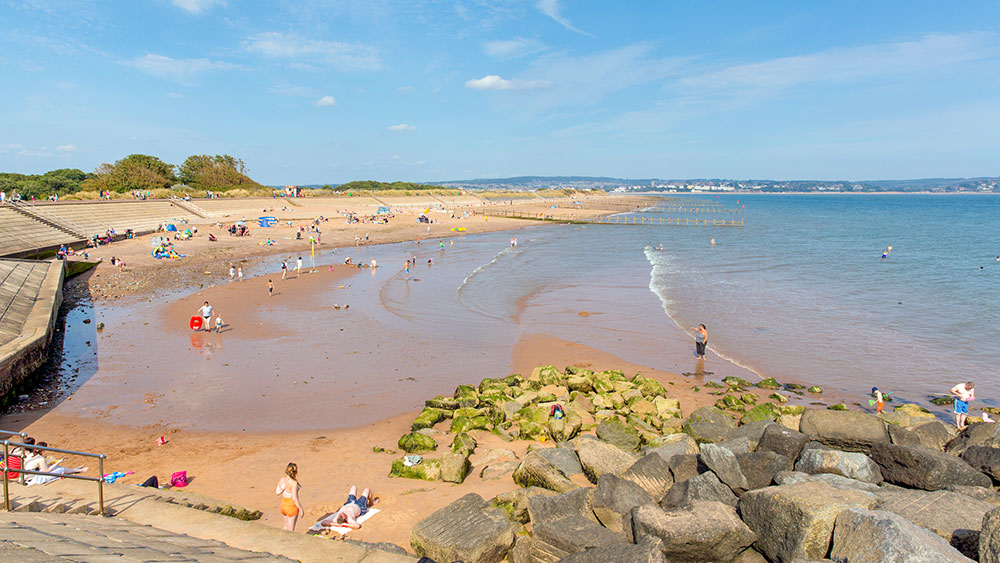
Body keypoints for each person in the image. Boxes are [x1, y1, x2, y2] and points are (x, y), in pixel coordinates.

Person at [275, 462, 304, 531]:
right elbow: (294, 498)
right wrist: (301, 509)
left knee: (286, 525)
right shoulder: (294, 483)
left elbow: (277, 492)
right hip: (291, 506)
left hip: (283, 505)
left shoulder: (282, 479)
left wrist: (284, 487)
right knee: (291, 529)